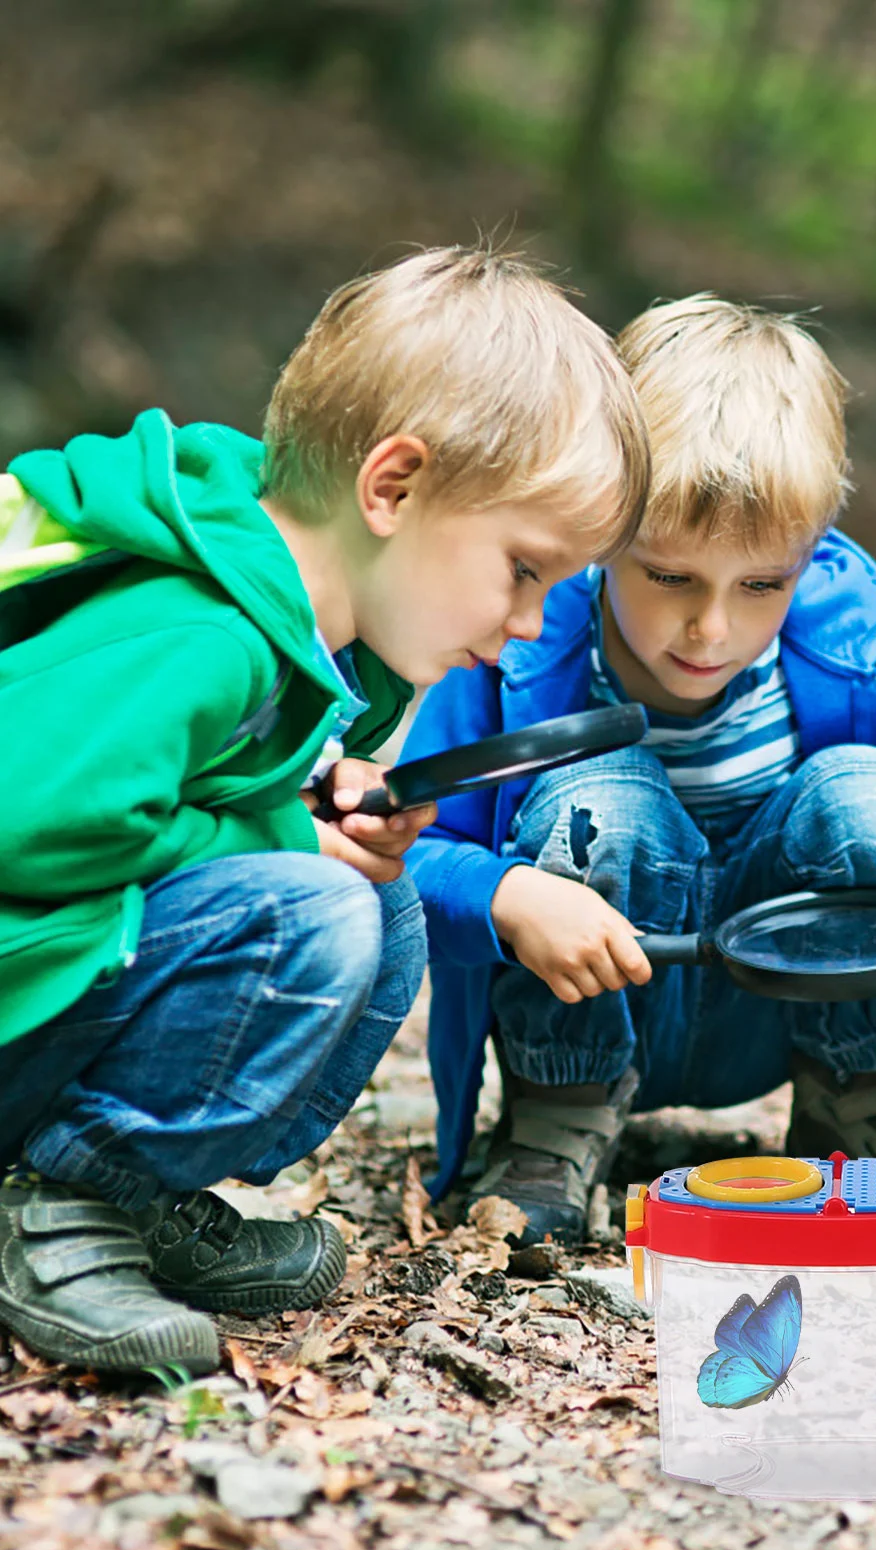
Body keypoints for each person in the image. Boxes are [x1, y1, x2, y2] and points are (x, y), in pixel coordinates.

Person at [0, 245, 649, 1372]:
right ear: (391, 488)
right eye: (525, 569)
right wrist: (279, 835)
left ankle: (127, 1192)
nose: (535, 621)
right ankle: (54, 1204)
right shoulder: (200, 630)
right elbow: (27, 817)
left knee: (376, 902)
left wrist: (301, 804)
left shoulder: (283, 634)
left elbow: (175, 799)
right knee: (311, 911)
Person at [407, 295, 876, 1243]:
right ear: (601, 536)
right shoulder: (521, 649)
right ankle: (560, 1118)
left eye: (762, 584)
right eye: (670, 576)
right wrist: (509, 895)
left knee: (866, 790)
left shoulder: (847, 640)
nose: (712, 629)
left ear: (808, 557)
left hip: (781, 1001)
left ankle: (860, 1092)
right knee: (604, 791)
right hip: (591, 995)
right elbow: (413, 857)